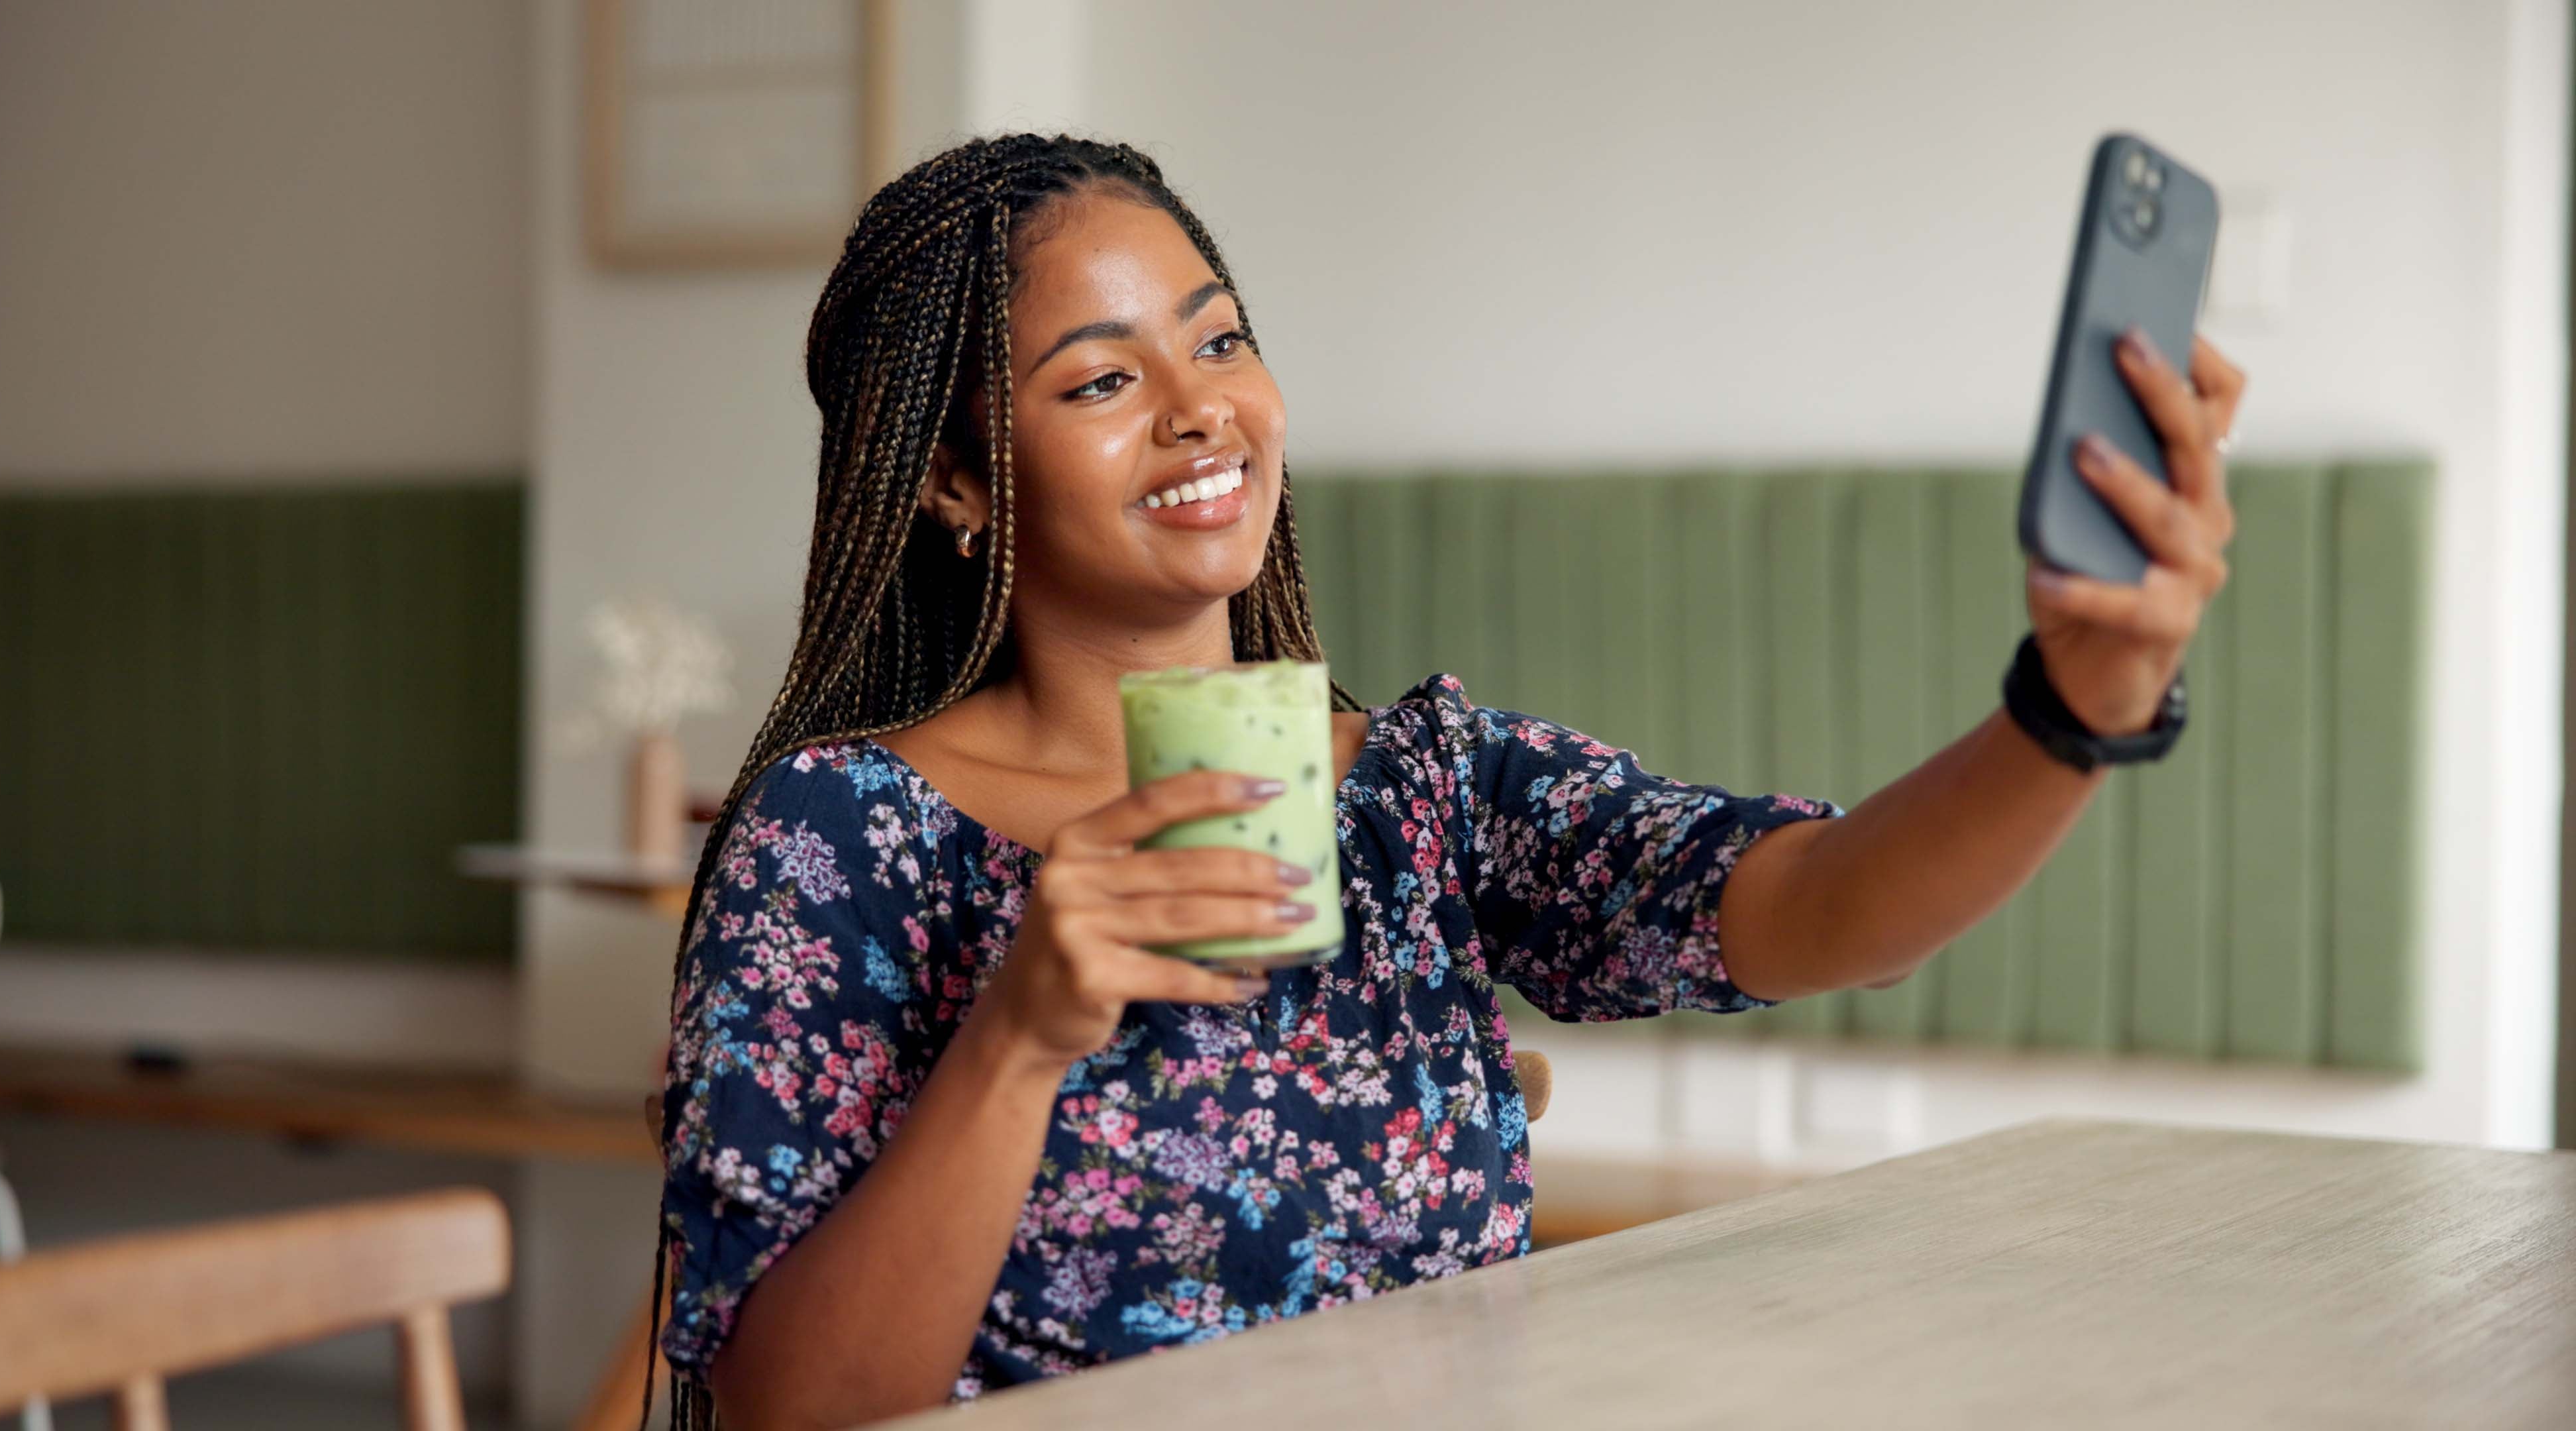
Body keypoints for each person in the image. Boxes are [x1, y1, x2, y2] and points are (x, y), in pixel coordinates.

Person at [652, 133, 2243, 1430]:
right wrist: (1018, 1035)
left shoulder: (1423, 791)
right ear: (948, 479)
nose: (1201, 403)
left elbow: (1812, 910)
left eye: (1217, 337)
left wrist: (2071, 712)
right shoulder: (839, 838)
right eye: (1099, 381)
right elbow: (794, 1406)